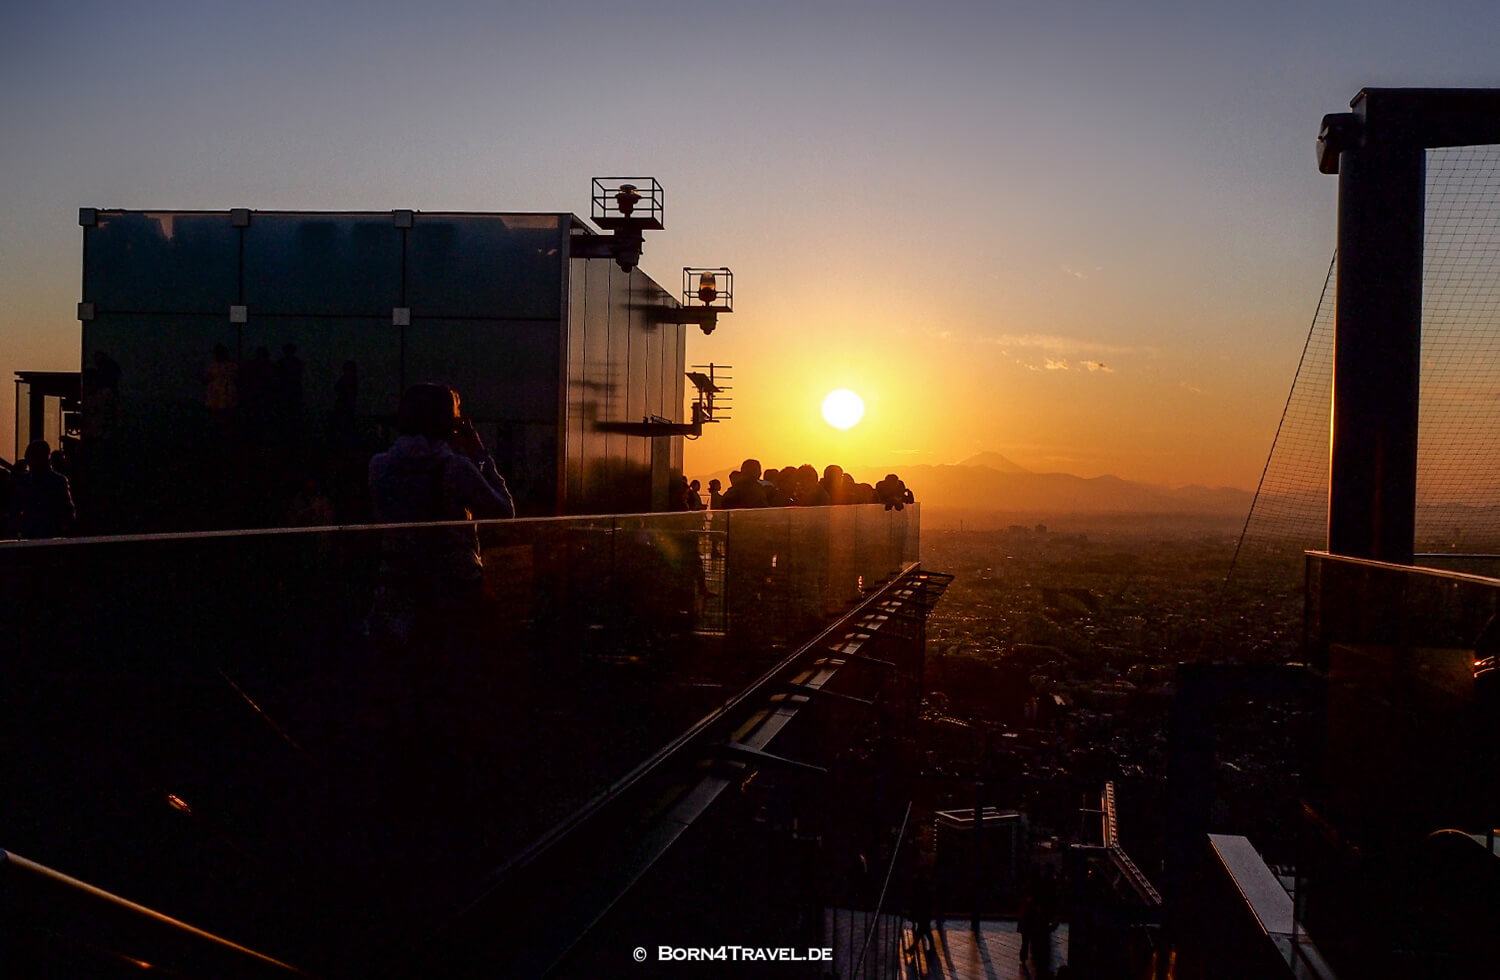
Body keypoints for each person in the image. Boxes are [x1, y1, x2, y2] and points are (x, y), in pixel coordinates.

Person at [367, 383, 515, 638]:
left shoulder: (378, 466)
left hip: (397, 591)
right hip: (454, 590)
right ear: (449, 422)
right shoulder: (456, 468)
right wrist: (479, 454)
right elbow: (504, 511)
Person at [9, 440, 75, 539]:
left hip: (35, 533)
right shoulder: (58, 481)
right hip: (49, 533)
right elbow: (68, 512)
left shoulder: (24, 481)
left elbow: (15, 509)